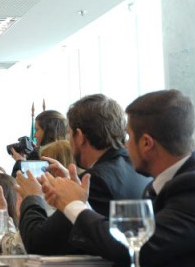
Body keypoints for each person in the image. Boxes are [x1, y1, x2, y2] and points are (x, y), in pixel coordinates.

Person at [41, 90, 195, 267]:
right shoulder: (170, 182)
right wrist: (80, 202)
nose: (125, 145)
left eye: (129, 137)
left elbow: (131, 248)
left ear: (147, 143)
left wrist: (74, 205)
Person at [17, 94, 151, 256]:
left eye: (69, 134)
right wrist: (68, 183)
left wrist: (32, 197)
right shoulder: (141, 170)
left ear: (79, 136)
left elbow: (38, 243)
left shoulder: (93, 181)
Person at [10, 110, 68, 176]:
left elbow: (20, 181)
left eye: (37, 130)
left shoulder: (39, 156)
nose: (34, 135)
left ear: (48, 131)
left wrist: (20, 163)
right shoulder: (72, 152)